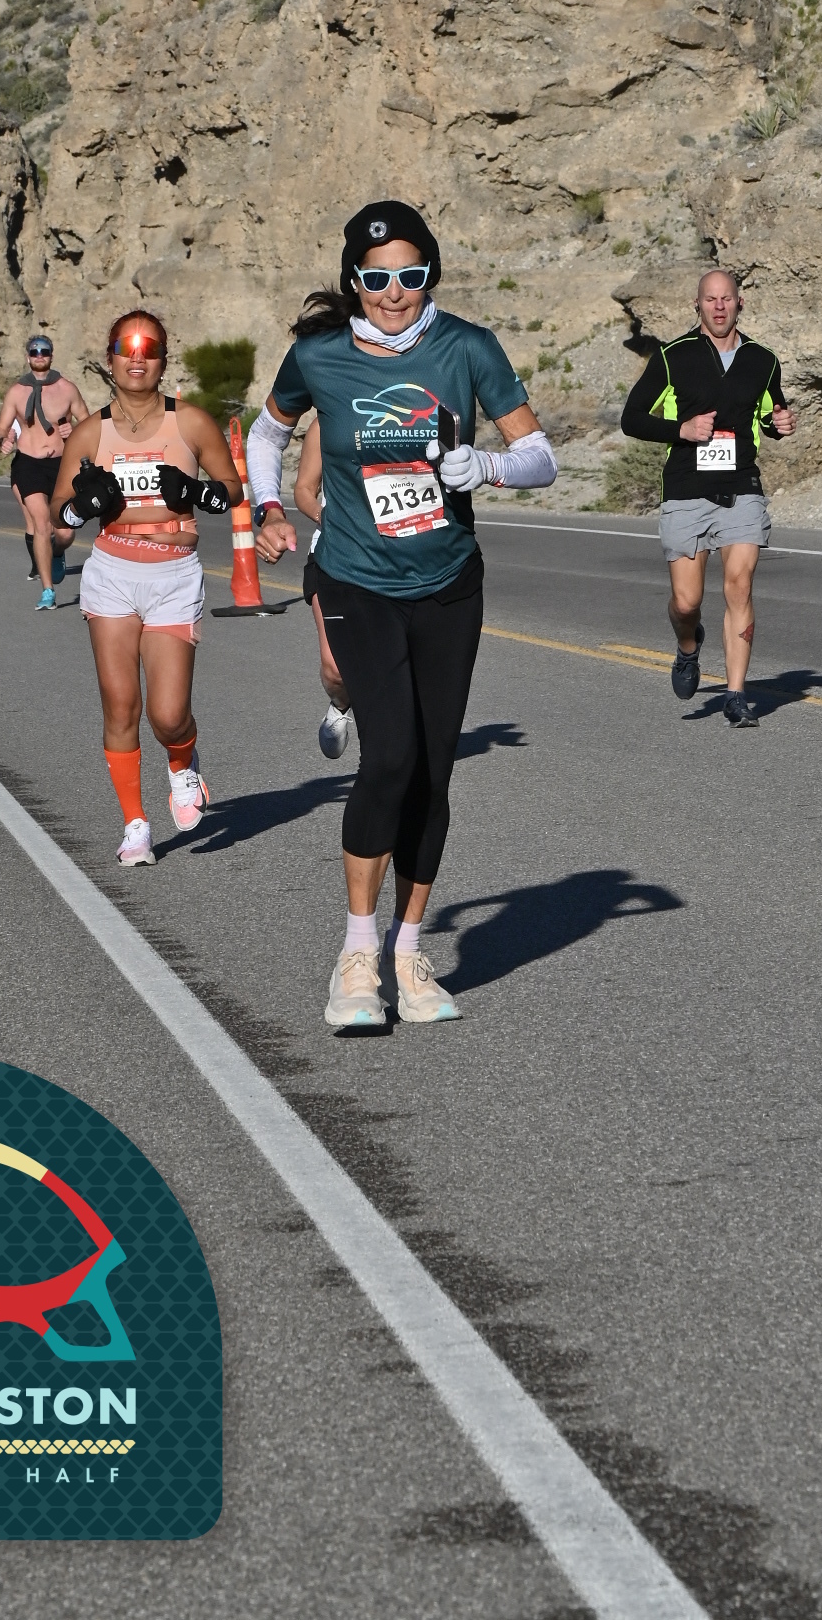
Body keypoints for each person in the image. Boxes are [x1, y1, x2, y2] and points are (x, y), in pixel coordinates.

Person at [249, 199, 558, 1034]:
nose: (395, 292)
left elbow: (540, 456)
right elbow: (265, 434)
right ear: (354, 280)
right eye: (378, 277)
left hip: (448, 585)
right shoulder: (318, 356)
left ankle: (408, 951)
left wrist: (486, 466)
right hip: (357, 580)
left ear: (431, 276)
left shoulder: (467, 346)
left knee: (432, 773)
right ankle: (356, 957)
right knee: (389, 758)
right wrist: (267, 507)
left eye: (411, 276)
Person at [48, 311, 239, 868]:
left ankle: (183, 763)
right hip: (112, 571)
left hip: (173, 574)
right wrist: (82, 506)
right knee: (120, 705)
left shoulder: (191, 422)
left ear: (163, 357)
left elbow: (231, 488)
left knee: (169, 714)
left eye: (148, 347)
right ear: (109, 358)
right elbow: (58, 515)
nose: (137, 357)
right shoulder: (90, 432)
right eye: (125, 347)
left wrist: (195, 493)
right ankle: (135, 824)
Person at [620, 268, 798, 728]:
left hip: (742, 486)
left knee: (739, 586)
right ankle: (688, 646)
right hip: (686, 487)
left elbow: (767, 416)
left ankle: (736, 695)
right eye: (710, 299)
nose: (719, 307)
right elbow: (631, 418)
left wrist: (778, 425)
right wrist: (681, 429)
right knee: (687, 602)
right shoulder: (673, 356)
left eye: (726, 298)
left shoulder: (763, 360)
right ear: (697, 305)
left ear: (740, 303)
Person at [0, 332, 85, 609]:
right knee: (42, 524)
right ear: (27, 357)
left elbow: (89, 423)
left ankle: (57, 553)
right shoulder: (16, 392)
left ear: (51, 355)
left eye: (44, 351)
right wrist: (4, 439)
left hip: (61, 464)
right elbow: (1, 427)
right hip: (28, 463)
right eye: (34, 352)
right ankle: (48, 591)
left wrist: (75, 429)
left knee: (65, 532)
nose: (39, 356)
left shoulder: (67, 389)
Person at [293, 422, 354, 761]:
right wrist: (325, 517)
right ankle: (341, 704)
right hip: (334, 551)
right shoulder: (328, 419)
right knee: (336, 669)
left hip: (401, 554)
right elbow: (304, 489)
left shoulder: (408, 413)